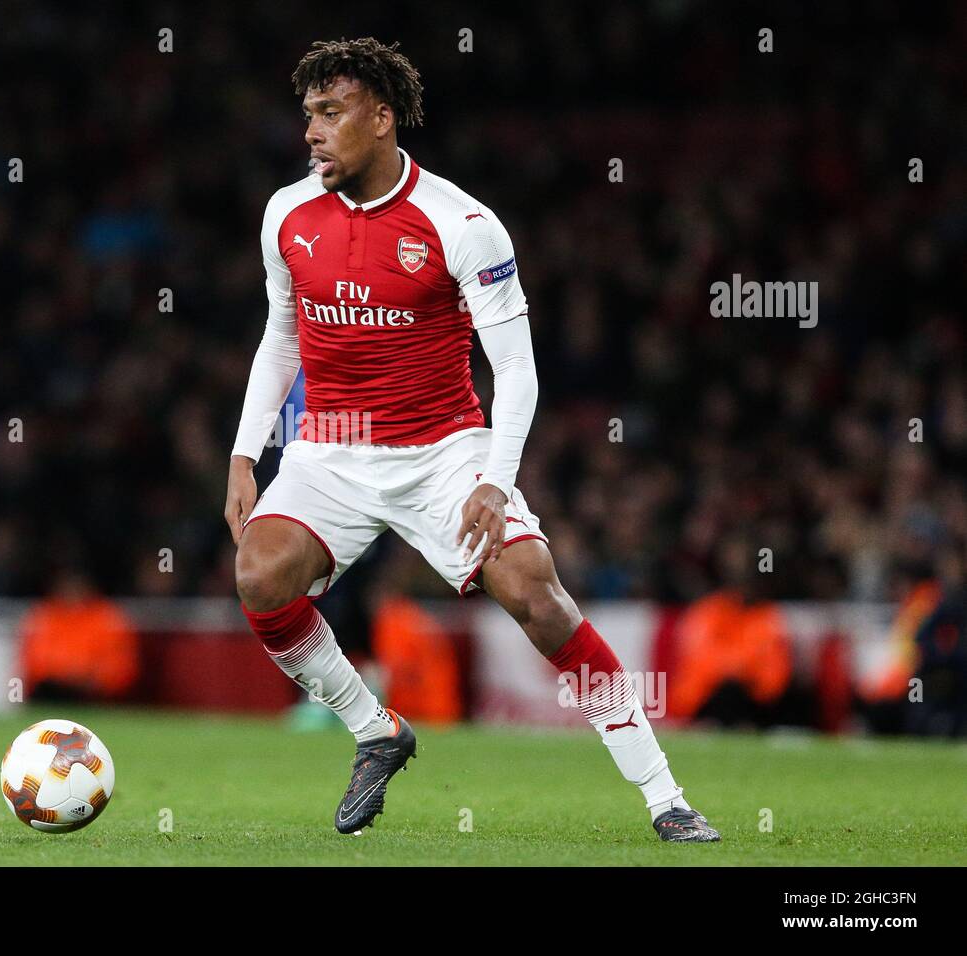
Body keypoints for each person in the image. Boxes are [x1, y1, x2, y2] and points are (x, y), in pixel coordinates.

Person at [224, 38, 718, 841]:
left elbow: (516, 371)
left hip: (443, 451)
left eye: (329, 113)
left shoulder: (462, 224)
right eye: (306, 115)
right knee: (259, 575)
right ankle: (374, 729)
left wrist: (494, 478)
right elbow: (281, 335)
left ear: (381, 119)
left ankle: (666, 798)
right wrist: (247, 453)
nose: (311, 132)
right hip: (330, 448)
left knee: (536, 595)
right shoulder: (287, 212)